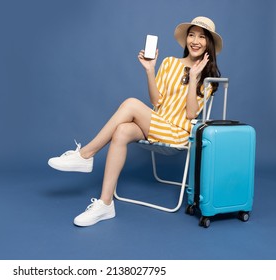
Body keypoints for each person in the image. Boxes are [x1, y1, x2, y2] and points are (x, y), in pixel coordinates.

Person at [48, 16, 222, 227]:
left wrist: (194, 76)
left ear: (208, 43)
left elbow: (191, 115)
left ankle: (86, 154)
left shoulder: (208, 77)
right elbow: (156, 101)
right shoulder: (169, 63)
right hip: (158, 122)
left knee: (130, 103)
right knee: (121, 131)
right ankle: (105, 204)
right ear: (186, 39)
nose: (195, 40)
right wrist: (150, 70)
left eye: (201, 37)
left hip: (178, 132)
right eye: (192, 35)